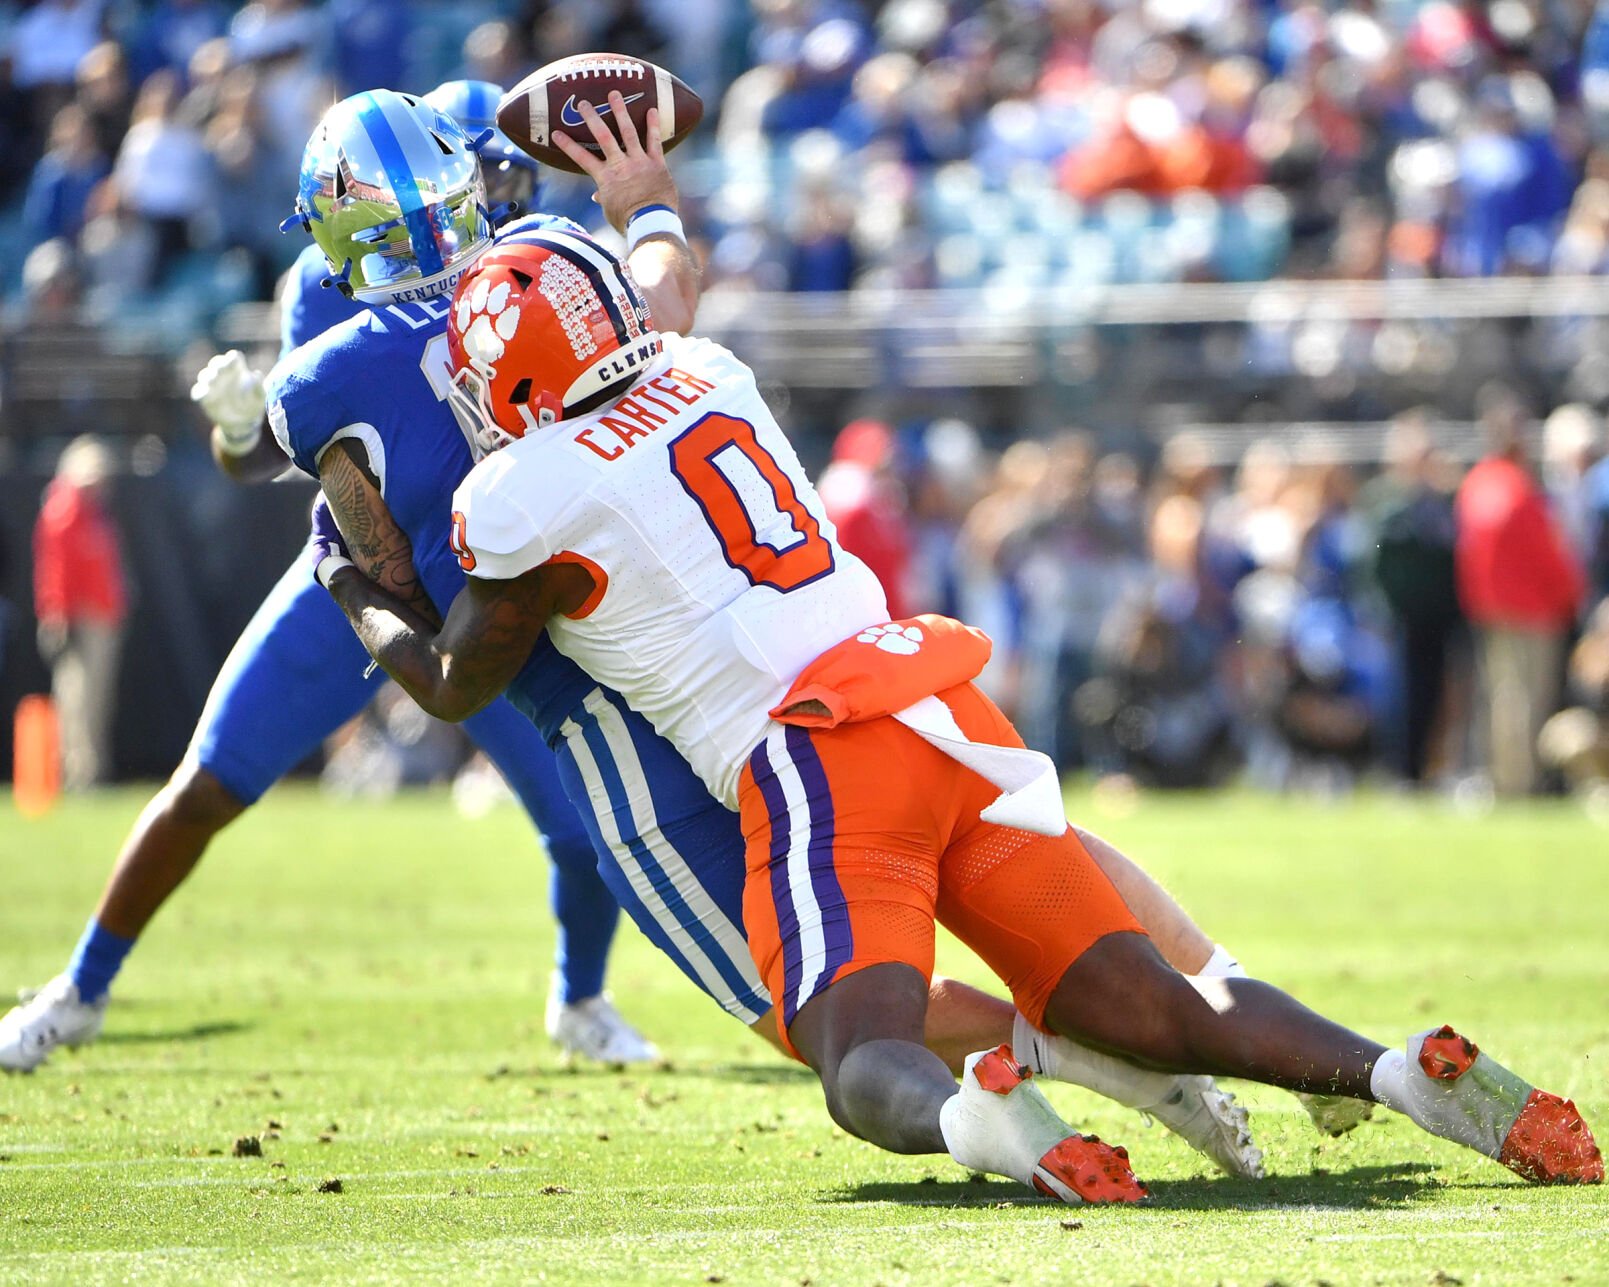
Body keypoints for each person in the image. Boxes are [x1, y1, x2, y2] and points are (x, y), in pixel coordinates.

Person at [314, 223, 1602, 1202]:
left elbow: (451, 682)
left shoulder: (522, 495)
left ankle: (985, 1121)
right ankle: (1397, 1074)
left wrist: (349, 588)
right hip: (939, 703)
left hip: (813, 755)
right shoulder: (707, 370)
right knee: (1144, 999)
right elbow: (654, 321)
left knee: (854, 1054)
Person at [254, 86, 1290, 1181]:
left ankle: (1104, 1061)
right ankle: (1207, 1006)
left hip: (608, 709)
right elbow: (665, 304)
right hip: (748, 629)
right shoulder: (545, 269)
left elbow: (404, 595)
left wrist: (335, 561)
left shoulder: (323, 382)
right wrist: (647, 202)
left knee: (800, 1007)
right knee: (996, 837)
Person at [0, 82, 657, 1074]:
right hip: (355, 577)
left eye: (496, 170)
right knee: (205, 786)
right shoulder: (327, 287)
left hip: (497, 585)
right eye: (483, 168)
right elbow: (290, 442)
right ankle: (81, 987)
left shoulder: (531, 260)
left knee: (578, 829)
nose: (498, 187)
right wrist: (235, 433)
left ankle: (580, 998)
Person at [1454, 391, 1587, 797]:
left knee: (1502, 699)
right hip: (1532, 611)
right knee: (1524, 700)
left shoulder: (1476, 484)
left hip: (1492, 611)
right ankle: (1521, 784)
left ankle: (1505, 780)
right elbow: (1549, 555)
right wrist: (1572, 596)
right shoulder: (1517, 489)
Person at [32, 433, 127, 791]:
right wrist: (55, 614)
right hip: (78, 618)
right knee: (78, 697)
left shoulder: (95, 512)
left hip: (102, 616)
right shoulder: (63, 510)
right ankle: (80, 773)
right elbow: (54, 569)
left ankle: (93, 769)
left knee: (96, 697)